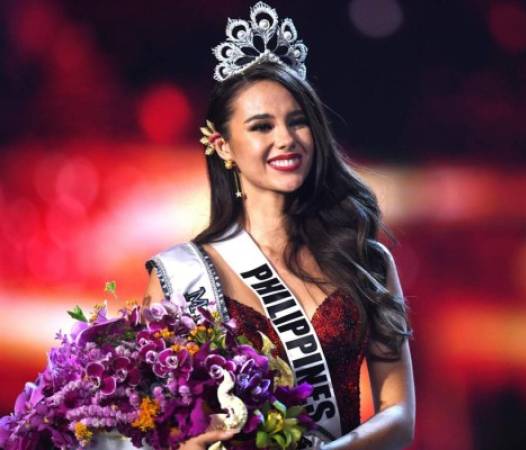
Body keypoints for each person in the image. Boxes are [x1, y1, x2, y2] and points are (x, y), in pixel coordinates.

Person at [143, 3, 415, 449]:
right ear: (223, 145)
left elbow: (399, 416)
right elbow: (152, 428)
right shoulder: (179, 277)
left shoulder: (363, 258)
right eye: (261, 126)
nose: (285, 139)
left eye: (298, 121)